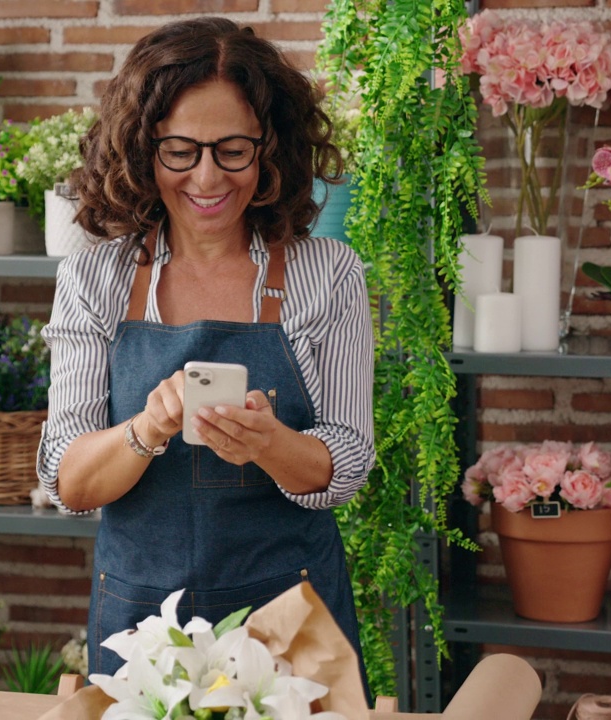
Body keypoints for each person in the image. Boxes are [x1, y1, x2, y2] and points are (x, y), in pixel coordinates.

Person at [35, 17, 376, 679]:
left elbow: (349, 462)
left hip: (293, 620)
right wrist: (148, 427)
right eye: (181, 152)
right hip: (141, 622)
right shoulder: (94, 278)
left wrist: (267, 442)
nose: (208, 178)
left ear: (271, 147)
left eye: (233, 151)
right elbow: (70, 483)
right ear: (142, 150)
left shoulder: (328, 273)